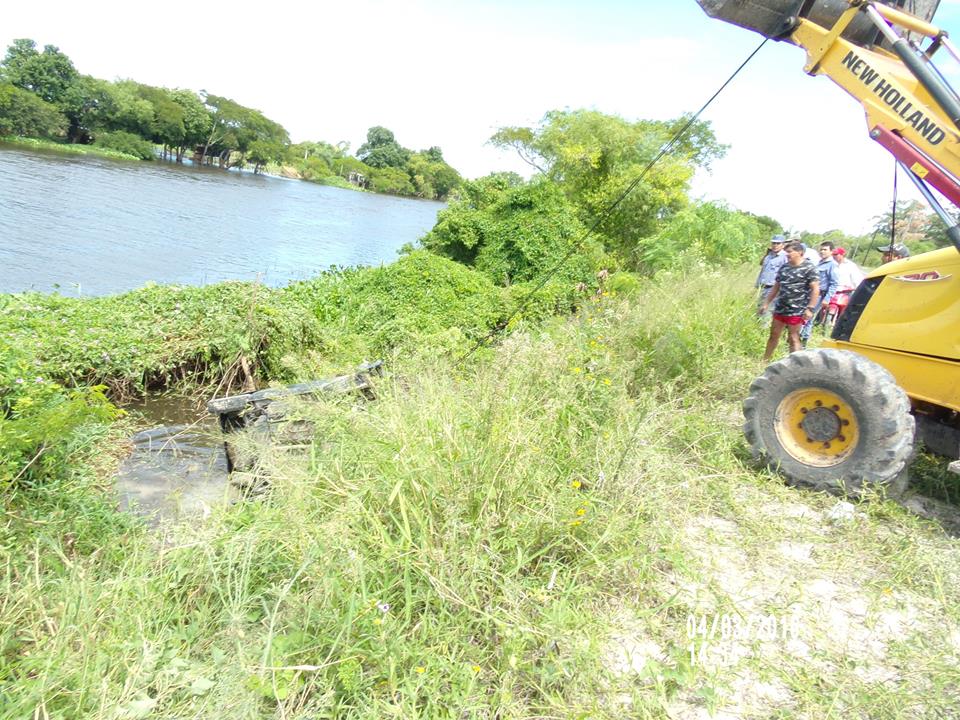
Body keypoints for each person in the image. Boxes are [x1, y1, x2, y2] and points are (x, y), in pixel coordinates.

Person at [759, 241, 820, 361]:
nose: (787, 254)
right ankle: (765, 360)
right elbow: (776, 287)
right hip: (781, 308)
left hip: (797, 310)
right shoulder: (784, 267)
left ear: (800, 252)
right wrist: (766, 303)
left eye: (789, 252)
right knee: (774, 335)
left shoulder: (809, 268)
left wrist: (810, 308)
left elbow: (815, 289)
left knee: (793, 337)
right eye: (786, 252)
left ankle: (795, 363)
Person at [800, 240, 839, 346]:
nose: (822, 251)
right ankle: (802, 340)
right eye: (821, 249)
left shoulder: (832, 265)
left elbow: (834, 284)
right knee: (808, 317)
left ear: (831, 251)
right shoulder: (819, 262)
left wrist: (827, 299)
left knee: (807, 316)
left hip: (819, 295)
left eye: (825, 250)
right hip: (811, 293)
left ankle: (800, 339)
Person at [756, 234, 787, 316]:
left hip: (773, 288)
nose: (775, 245)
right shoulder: (769, 256)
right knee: (759, 310)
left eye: (778, 243)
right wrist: (757, 284)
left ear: (783, 245)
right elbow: (762, 271)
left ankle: (764, 328)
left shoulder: (785, 257)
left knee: (767, 311)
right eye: (773, 243)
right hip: (762, 287)